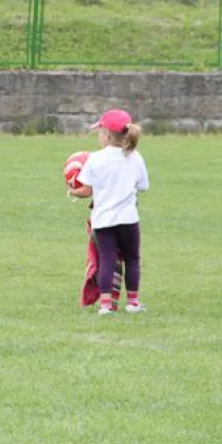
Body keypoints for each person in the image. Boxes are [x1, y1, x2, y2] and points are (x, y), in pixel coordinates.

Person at [69, 109, 149, 316]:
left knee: (106, 259)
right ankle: (133, 302)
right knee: (132, 259)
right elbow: (143, 185)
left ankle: (105, 305)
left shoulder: (95, 159)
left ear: (105, 135)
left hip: (103, 220)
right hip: (129, 219)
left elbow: (86, 190)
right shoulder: (136, 157)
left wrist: (72, 190)